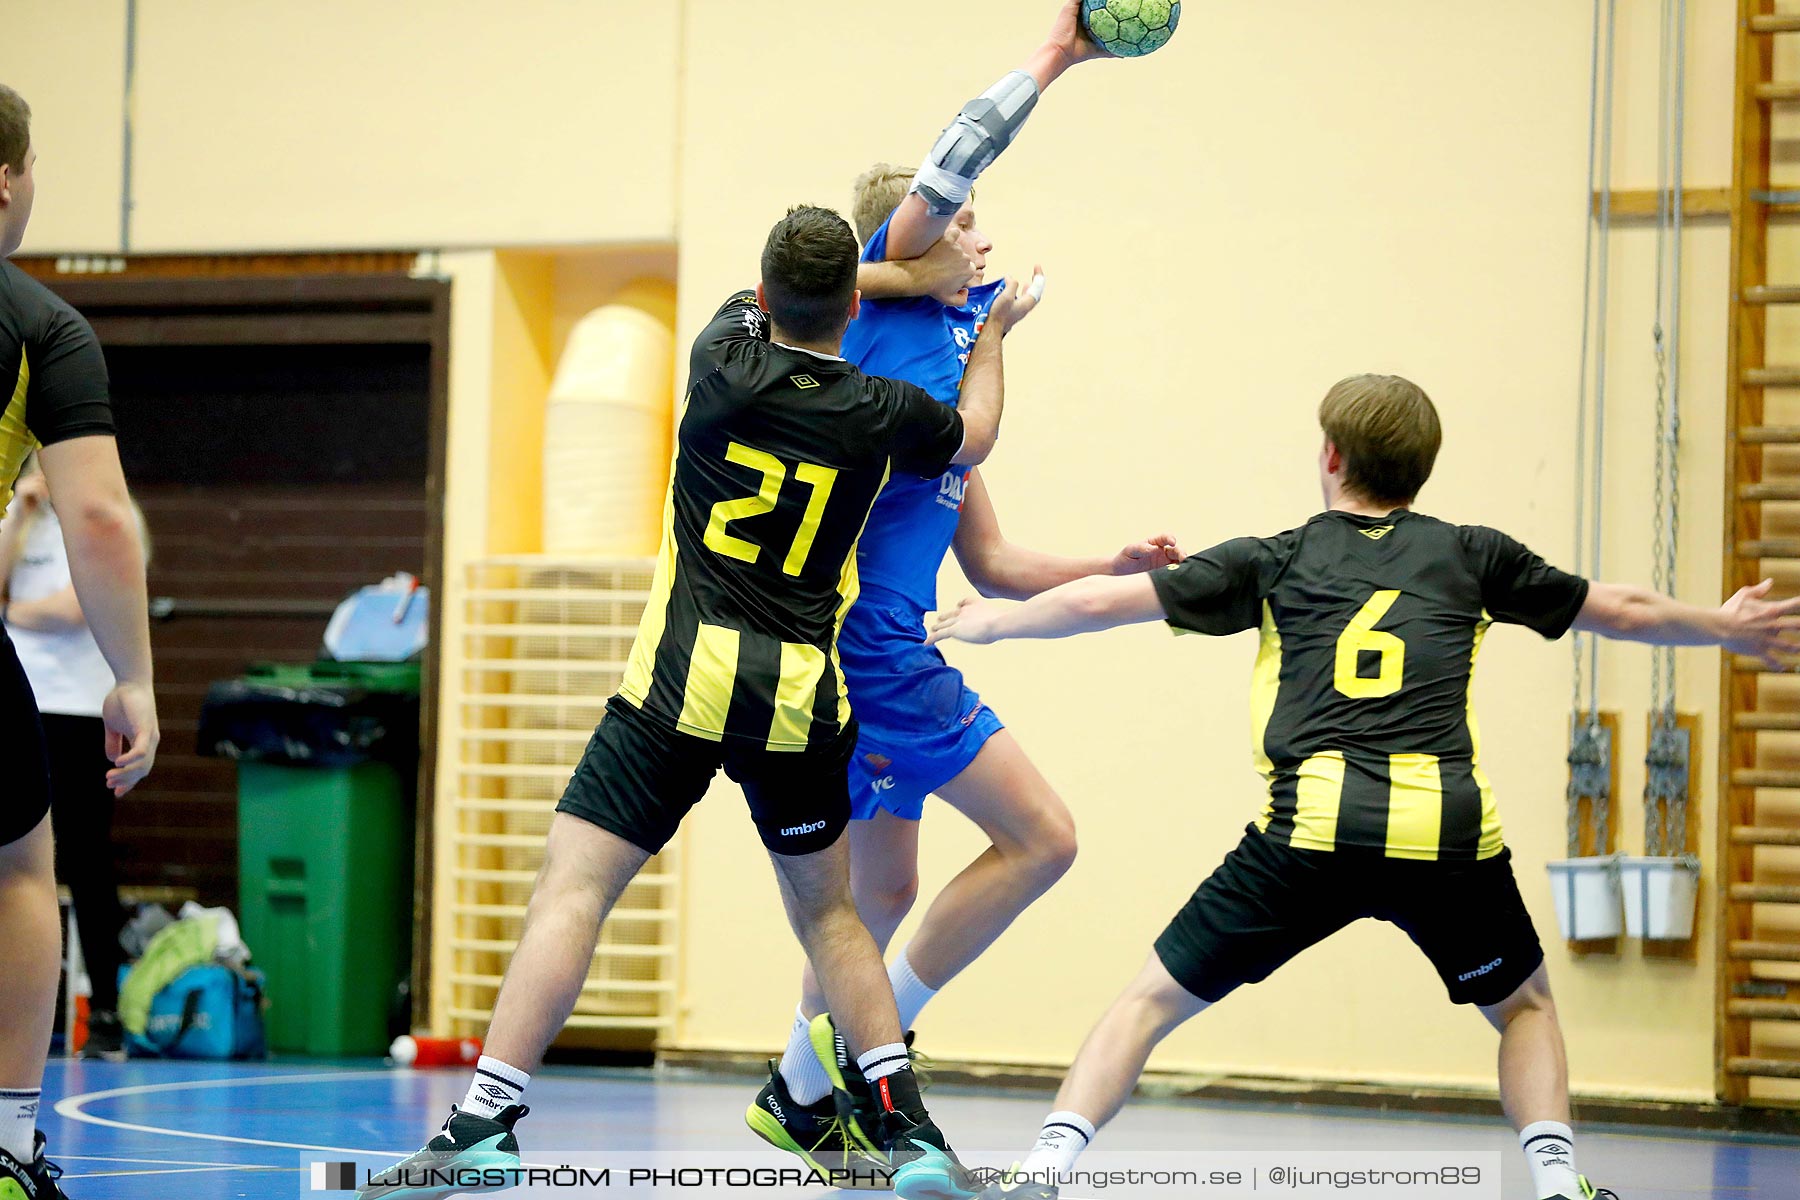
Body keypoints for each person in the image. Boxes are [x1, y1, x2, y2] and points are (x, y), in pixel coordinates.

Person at [928, 375, 1799, 1200]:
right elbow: (1627, 610)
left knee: (1149, 1002)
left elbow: (1098, 605)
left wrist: (994, 621)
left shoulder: (1278, 560)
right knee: (1525, 1008)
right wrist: (1723, 628)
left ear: (1332, 458)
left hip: (1308, 836)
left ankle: (1044, 1171)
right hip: (1445, 838)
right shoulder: (1472, 557)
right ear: (1420, 471)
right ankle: (1557, 1185)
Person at [360, 205, 1029, 1200]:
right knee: (834, 918)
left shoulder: (722, 355)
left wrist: (907, 274)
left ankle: (482, 1128)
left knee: (573, 891)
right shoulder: (880, 409)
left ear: (764, 300)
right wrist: (993, 330)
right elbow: (973, 438)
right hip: (796, 695)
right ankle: (905, 1134)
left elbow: (811, 294)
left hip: (676, 686)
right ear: (852, 308)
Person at [753, 8, 1181, 1183]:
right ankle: (815, 1078)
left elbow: (990, 563)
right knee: (1044, 838)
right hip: (873, 649)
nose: (981, 240)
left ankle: (821, 1097)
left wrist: (1113, 565)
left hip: (857, 648)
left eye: (980, 228)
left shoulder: (937, 362)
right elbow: (952, 157)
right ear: (910, 239)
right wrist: (1057, 55)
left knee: (878, 892)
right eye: (964, 226)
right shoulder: (892, 313)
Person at [0, 82, 160, 1200]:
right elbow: (100, 515)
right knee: (21, 865)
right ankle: (8, 1141)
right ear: (4, 180)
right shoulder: (37, 324)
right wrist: (134, 675)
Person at [0, 462, 150, 1061]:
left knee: (85, 860)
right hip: (19, 706)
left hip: (81, 711)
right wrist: (18, 513)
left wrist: (11, 611)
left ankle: (106, 1011)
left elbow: (78, 607)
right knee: (12, 863)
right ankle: (31, 1017)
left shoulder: (109, 518)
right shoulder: (21, 520)